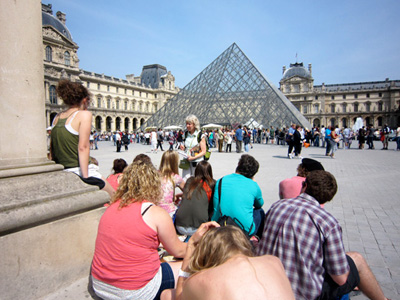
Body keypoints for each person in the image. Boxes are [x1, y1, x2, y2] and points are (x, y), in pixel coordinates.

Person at [257, 170, 390, 300]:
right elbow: (340, 278)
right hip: (303, 293)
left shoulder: (278, 205)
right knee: (357, 259)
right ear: (328, 198)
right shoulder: (327, 222)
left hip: (269, 280)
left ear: (305, 186)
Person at [91, 161, 189, 300]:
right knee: (191, 265)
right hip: (135, 291)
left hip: (101, 285)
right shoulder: (155, 212)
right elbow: (178, 250)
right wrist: (199, 246)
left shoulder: (112, 207)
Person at [162, 225, 295, 300]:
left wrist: (191, 245)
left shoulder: (201, 280)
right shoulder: (274, 262)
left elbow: (179, 296)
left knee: (167, 295)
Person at [50, 79, 114, 197]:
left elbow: (52, 148)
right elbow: (83, 147)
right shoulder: (84, 115)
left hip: (62, 169)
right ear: (84, 100)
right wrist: (86, 177)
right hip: (80, 169)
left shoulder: (57, 117)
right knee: (116, 197)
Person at [211, 154, 264, 238]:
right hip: (244, 230)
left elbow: (216, 206)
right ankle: (257, 240)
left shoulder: (221, 180)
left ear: (239, 164)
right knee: (260, 211)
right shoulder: (254, 185)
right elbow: (259, 204)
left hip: (222, 225)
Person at [175, 161, 215, 237]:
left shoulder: (190, 181)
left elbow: (193, 193)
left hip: (180, 225)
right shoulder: (212, 184)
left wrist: (179, 195)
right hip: (200, 228)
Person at [159, 150, 185, 218]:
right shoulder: (176, 178)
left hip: (155, 208)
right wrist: (179, 195)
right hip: (169, 211)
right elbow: (188, 192)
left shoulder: (155, 175)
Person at [179, 115, 207, 179]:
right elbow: (187, 147)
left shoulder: (200, 135)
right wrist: (183, 147)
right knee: (186, 180)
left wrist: (193, 157)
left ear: (194, 124)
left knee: (196, 180)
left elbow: (204, 151)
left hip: (197, 162)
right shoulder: (186, 134)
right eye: (186, 124)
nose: (187, 126)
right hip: (187, 161)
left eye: (189, 124)